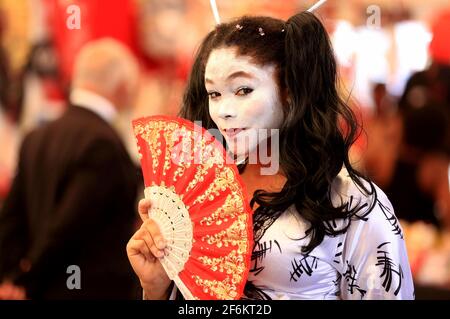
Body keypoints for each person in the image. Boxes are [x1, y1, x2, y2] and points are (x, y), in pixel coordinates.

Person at [127, 11, 415, 300]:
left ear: (289, 91)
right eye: (214, 94)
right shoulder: (202, 192)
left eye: (243, 90)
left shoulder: (351, 202)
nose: (224, 110)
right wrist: (155, 287)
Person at [0, 38, 141, 299]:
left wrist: (11, 276)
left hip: (41, 290)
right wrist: (27, 275)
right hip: (89, 291)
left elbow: (11, 216)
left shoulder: (36, 137)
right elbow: (68, 226)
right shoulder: (104, 143)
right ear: (122, 88)